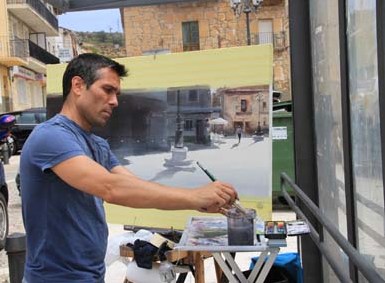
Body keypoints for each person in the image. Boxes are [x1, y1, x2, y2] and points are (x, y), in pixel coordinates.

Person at [20, 53, 237, 283]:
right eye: (107, 90)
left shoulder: (97, 145)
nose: (114, 101)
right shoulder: (50, 136)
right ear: (78, 85)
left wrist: (200, 200)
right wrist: (194, 196)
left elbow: (134, 186)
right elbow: (111, 188)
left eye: (117, 94)